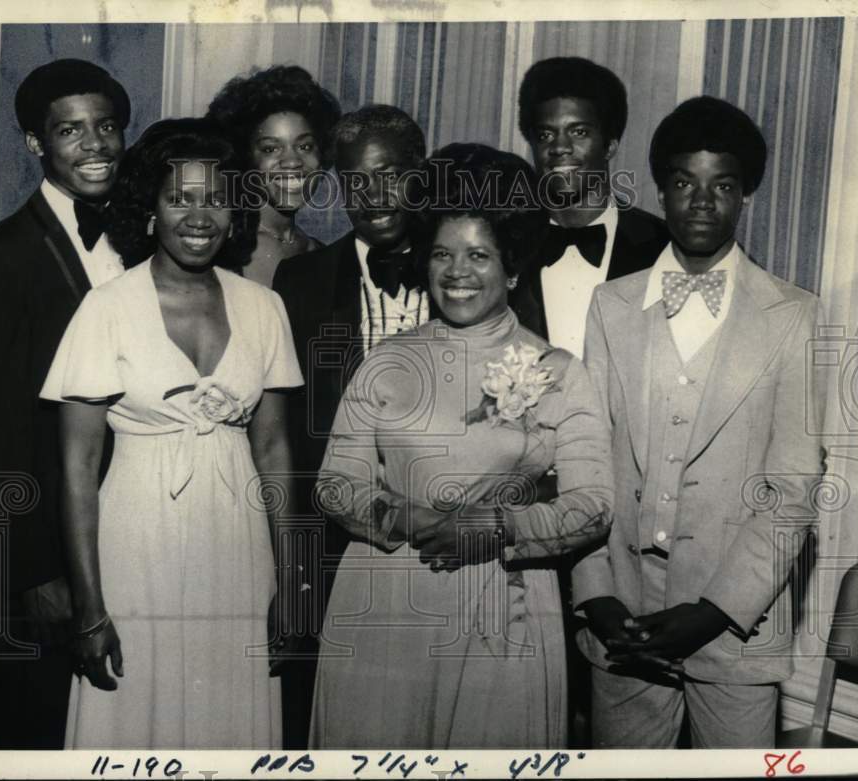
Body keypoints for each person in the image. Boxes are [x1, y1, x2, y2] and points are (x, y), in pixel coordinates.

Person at [310, 143, 614, 748]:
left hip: (500, 599)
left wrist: (494, 528)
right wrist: (401, 515)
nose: (457, 272)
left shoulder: (558, 371)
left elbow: (594, 505)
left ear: (513, 267)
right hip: (385, 594)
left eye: (479, 255)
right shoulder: (386, 361)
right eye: (443, 254)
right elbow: (335, 481)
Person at [39, 118, 303, 748]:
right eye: (178, 197)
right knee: (134, 716)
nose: (198, 215)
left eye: (213, 197)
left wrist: (291, 584)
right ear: (149, 209)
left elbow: (273, 451)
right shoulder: (106, 307)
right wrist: (89, 606)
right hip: (135, 544)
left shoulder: (265, 307)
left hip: (238, 544)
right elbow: (77, 468)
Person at [574, 96, 824, 748]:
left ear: (747, 196)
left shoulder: (794, 316)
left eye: (723, 186)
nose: (702, 202)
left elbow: (791, 491)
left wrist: (715, 612)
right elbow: (585, 462)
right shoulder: (611, 305)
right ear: (661, 191)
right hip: (622, 615)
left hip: (738, 617)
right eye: (685, 183)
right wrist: (596, 595)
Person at [0, 58, 130, 748]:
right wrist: (33, 571)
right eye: (71, 130)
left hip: (123, 529)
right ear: (36, 144)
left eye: (106, 126)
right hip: (46, 553)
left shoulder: (145, 239)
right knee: (41, 734)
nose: (95, 145)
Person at [270, 104, 433, 748]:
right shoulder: (302, 281)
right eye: (356, 179)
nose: (376, 194)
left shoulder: (466, 269)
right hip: (342, 549)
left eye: (392, 173)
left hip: (450, 543)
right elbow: (289, 438)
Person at [510, 56, 669, 358]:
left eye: (579, 132)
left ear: (610, 146)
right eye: (546, 134)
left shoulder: (663, 246)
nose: (559, 147)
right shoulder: (507, 244)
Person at [207, 65, 341, 287]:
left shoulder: (321, 253)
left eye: (305, 146)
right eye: (270, 148)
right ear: (245, 158)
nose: (292, 162)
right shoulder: (221, 247)